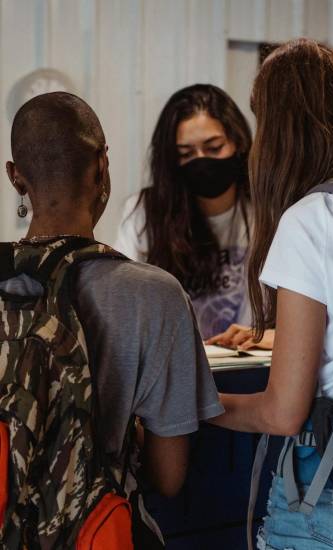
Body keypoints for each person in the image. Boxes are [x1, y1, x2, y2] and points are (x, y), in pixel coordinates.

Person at [3, 92, 224, 545]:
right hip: (99, 533)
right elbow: (169, 478)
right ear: (103, 165)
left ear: (15, 177)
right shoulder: (155, 296)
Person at [209, 39, 333, 549]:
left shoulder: (311, 220)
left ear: (281, 129)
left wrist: (198, 405)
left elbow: (283, 412)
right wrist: (278, 339)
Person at [115, 84, 252, 340]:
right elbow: (124, 299)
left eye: (214, 147)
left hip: (246, 365)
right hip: (172, 368)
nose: (202, 160)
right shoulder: (145, 212)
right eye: (186, 154)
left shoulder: (264, 213)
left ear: (238, 141)